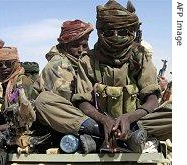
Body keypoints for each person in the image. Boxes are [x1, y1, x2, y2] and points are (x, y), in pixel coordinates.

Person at [72, 0, 172, 151]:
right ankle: (106, 133)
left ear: (131, 32)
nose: (116, 36)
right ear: (100, 33)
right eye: (109, 32)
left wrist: (129, 118)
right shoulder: (88, 60)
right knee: (45, 102)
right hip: (97, 122)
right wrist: (103, 120)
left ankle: (126, 133)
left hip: (136, 122)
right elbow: (82, 101)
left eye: (123, 32)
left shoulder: (140, 56)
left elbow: (152, 99)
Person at [33, 20, 95, 136]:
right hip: (59, 119)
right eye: (75, 46)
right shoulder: (59, 65)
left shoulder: (84, 62)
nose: (81, 50)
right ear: (64, 46)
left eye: (85, 45)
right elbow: (73, 103)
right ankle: (95, 129)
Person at [0, 39, 36, 150]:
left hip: (23, 132)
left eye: (8, 64)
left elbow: (25, 122)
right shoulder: (9, 83)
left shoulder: (21, 83)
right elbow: (6, 113)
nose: (3, 67)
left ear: (16, 64)